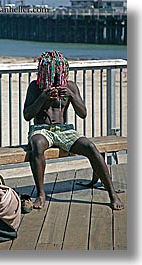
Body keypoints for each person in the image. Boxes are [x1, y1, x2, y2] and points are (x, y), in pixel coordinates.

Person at [23, 51, 124, 210]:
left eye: (58, 73)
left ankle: (112, 193)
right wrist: (42, 97)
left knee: (90, 147)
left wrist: (71, 95)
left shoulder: (70, 86)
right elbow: (27, 115)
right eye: (51, 73)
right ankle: (41, 194)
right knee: (36, 144)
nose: (55, 78)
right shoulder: (35, 87)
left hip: (64, 130)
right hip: (41, 129)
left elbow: (83, 113)